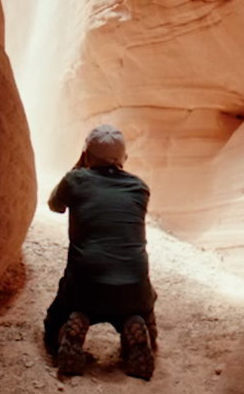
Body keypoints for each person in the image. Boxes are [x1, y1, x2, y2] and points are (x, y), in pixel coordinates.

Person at [43, 124, 158, 380]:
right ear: (124, 158)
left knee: (53, 323)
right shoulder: (139, 188)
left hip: (86, 288)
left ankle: (73, 323)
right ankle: (135, 324)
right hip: (133, 290)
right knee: (141, 304)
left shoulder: (76, 181)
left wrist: (78, 166)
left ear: (85, 155)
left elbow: (54, 205)